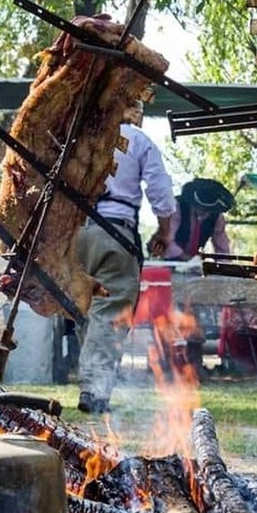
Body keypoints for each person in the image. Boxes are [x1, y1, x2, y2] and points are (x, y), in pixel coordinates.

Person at [74, 99, 176, 414]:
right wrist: (163, 231)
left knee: (82, 308)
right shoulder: (139, 140)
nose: (141, 118)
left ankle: (92, 381)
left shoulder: (84, 135)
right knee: (110, 309)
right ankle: (94, 390)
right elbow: (160, 193)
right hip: (114, 232)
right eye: (139, 111)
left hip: (76, 232)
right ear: (130, 111)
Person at [163, 178, 233, 261]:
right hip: (167, 262)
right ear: (193, 203)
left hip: (193, 265)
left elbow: (222, 249)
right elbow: (166, 241)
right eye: (200, 207)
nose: (203, 212)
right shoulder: (177, 208)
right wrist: (187, 258)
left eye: (208, 210)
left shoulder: (217, 217)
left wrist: (224, 266)